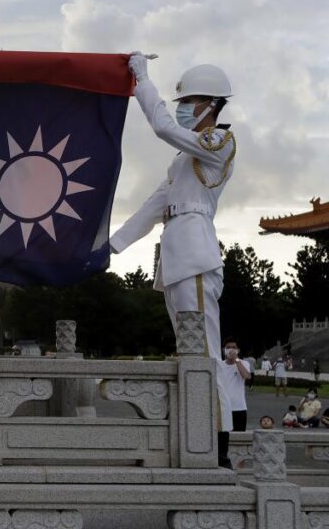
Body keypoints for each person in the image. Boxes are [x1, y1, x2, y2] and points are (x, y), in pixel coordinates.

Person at [111, 56, 237, 448]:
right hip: (177, 257)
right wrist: (110, 248)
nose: (184, 108)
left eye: (191, 101)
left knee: (204, 353)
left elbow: (163, 126)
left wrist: (142, 83)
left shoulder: (218, 143)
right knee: (189, 353)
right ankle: (199, 433)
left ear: (211, 106)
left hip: (195, 256)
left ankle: (218, 442)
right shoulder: (183, 160)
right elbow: (153, 207)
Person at [216, 341, 250, 468]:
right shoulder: (219, 364)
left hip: (239, 408)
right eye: (228, 347)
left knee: (239, 443)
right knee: (223, 441)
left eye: (233, 347)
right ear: (223, 350)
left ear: (238, 350)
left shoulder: (243, 363)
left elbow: (246, 376)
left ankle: (240, 469)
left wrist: (236, 360)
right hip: (224, 408)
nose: (230, 349)